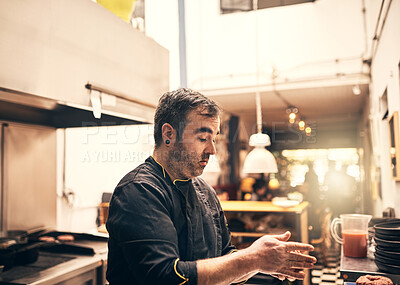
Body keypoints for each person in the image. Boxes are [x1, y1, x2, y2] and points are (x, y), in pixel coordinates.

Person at [106, 88, 316, 285]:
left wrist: (262, 262)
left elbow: (225, 256)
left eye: (214, 138)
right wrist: (253, 259)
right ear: (169, 134)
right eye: (203, 138)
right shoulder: (139, 190)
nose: (212, 150)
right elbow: (166, 276)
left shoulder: (204, 191)